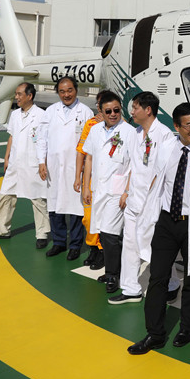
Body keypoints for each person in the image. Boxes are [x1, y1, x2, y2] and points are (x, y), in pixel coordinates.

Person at [127, 102, 190, 354]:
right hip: (166, 221)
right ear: (177, 126)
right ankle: (154, 334)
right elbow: (157, 181)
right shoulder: (167, 148)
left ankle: (186, 327)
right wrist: (147, 213)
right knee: (158, 277)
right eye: (189, 125)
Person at [112, 92, 183, 305]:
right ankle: (131, 288)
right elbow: (134, 166)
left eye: (135, 108)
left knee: (157, 247)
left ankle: (172, 283)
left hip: (154, 202)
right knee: (130, 244)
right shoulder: (135, 133)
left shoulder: (165, 136)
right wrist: (126, 191)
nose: (131, 112)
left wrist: (150, 199)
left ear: (148, 110)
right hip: (134, 199)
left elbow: (162, 173)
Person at [0, 82, 51, 248]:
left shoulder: (42, 116)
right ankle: (2, 229)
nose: (17, 97)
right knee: (6, 195)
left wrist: (44, 163)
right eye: (16, 94)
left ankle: (42, 234)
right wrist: (6, 158)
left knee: (38, 199)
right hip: (15, 162)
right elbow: (12, 137)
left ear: (30, 96)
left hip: (33, 163)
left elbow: (46, 142)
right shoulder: (14, 115)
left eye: (20, 94)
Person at [82, 90, 134, 293]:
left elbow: (134, 165)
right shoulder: (95, 130)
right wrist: (86, 186)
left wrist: (127, 191)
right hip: (99, 189)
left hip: (117, 191)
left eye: (117, 110)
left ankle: (114, 275)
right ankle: (114, 269)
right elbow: (89, 158)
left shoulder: (129, 132)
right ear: (101, 112)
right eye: (108, 111)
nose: (113, 114)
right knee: (102, 232)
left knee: (111, 235)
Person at [37, 76, 93, 260]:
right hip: (53, 165)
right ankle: (59, 242)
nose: (66, 94)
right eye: (62, 91)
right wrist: (41, 162)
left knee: (75, 207)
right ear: (58, 93)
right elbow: (42, 139)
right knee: (54, 205)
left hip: (76, 167)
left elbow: (90, 144)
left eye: (69, 90)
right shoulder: (51, 111)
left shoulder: (85, 112)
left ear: (76, 90)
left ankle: (76, 244)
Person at [74, 94, 105, 270]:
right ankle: (93, 247)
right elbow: (81, 151)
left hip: (110, 181)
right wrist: (78, 176)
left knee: (105, 218)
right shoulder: (91, 124)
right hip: (91, 179)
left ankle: (102, 251)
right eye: (101, 105)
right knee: (88, 218)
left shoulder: (121, 126)